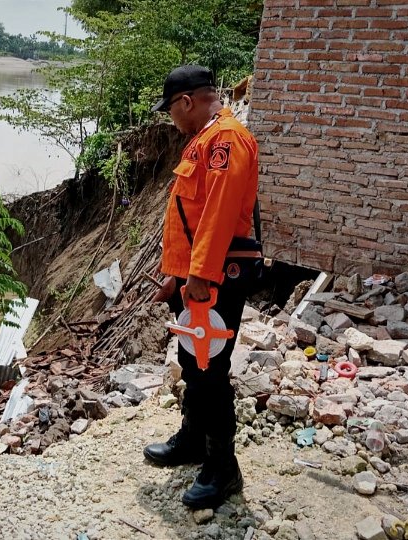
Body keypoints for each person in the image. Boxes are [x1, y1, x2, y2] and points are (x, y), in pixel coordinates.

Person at [143, 64, 261, 510]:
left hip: (214, 280)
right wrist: (177, 275)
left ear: (186, 102)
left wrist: (199, 276)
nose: (171, 119)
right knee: (194, 364)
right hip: (194, 280)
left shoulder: (225, 141)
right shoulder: (204, 141)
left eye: (171, 109)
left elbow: (218, 213)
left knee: (210, 371)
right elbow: (190, 220)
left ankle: (222, 468)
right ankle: (194, 440)